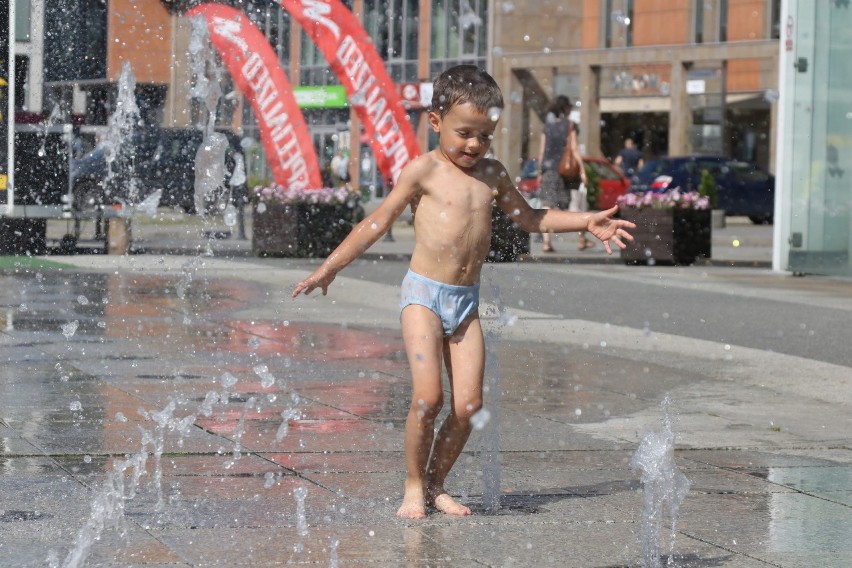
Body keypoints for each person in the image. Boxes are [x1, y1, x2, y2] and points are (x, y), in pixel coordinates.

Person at [291, 65, 635, 519]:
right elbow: (376, 222)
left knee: (469, 405)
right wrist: (329, 268)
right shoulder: (423, 172)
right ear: (435, 123)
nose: (474, 145)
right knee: (428, 398)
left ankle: (436, 485)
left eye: (485, 135)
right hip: (423, 298)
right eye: (465, 133)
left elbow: (530, 218)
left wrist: (585, 221)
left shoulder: (491, 175)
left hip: (464, 304)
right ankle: (414, 486)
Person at [537, 95, 592, 251]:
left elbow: (542, 151)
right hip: (566, 170)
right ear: (565, 108)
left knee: (547, 205)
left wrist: (540, 172)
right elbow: (574, 148)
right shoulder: (570, 125)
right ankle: (581, 239)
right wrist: (582, 169)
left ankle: (547, 243)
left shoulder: (547, 126)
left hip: (549, 169)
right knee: (573, 204)